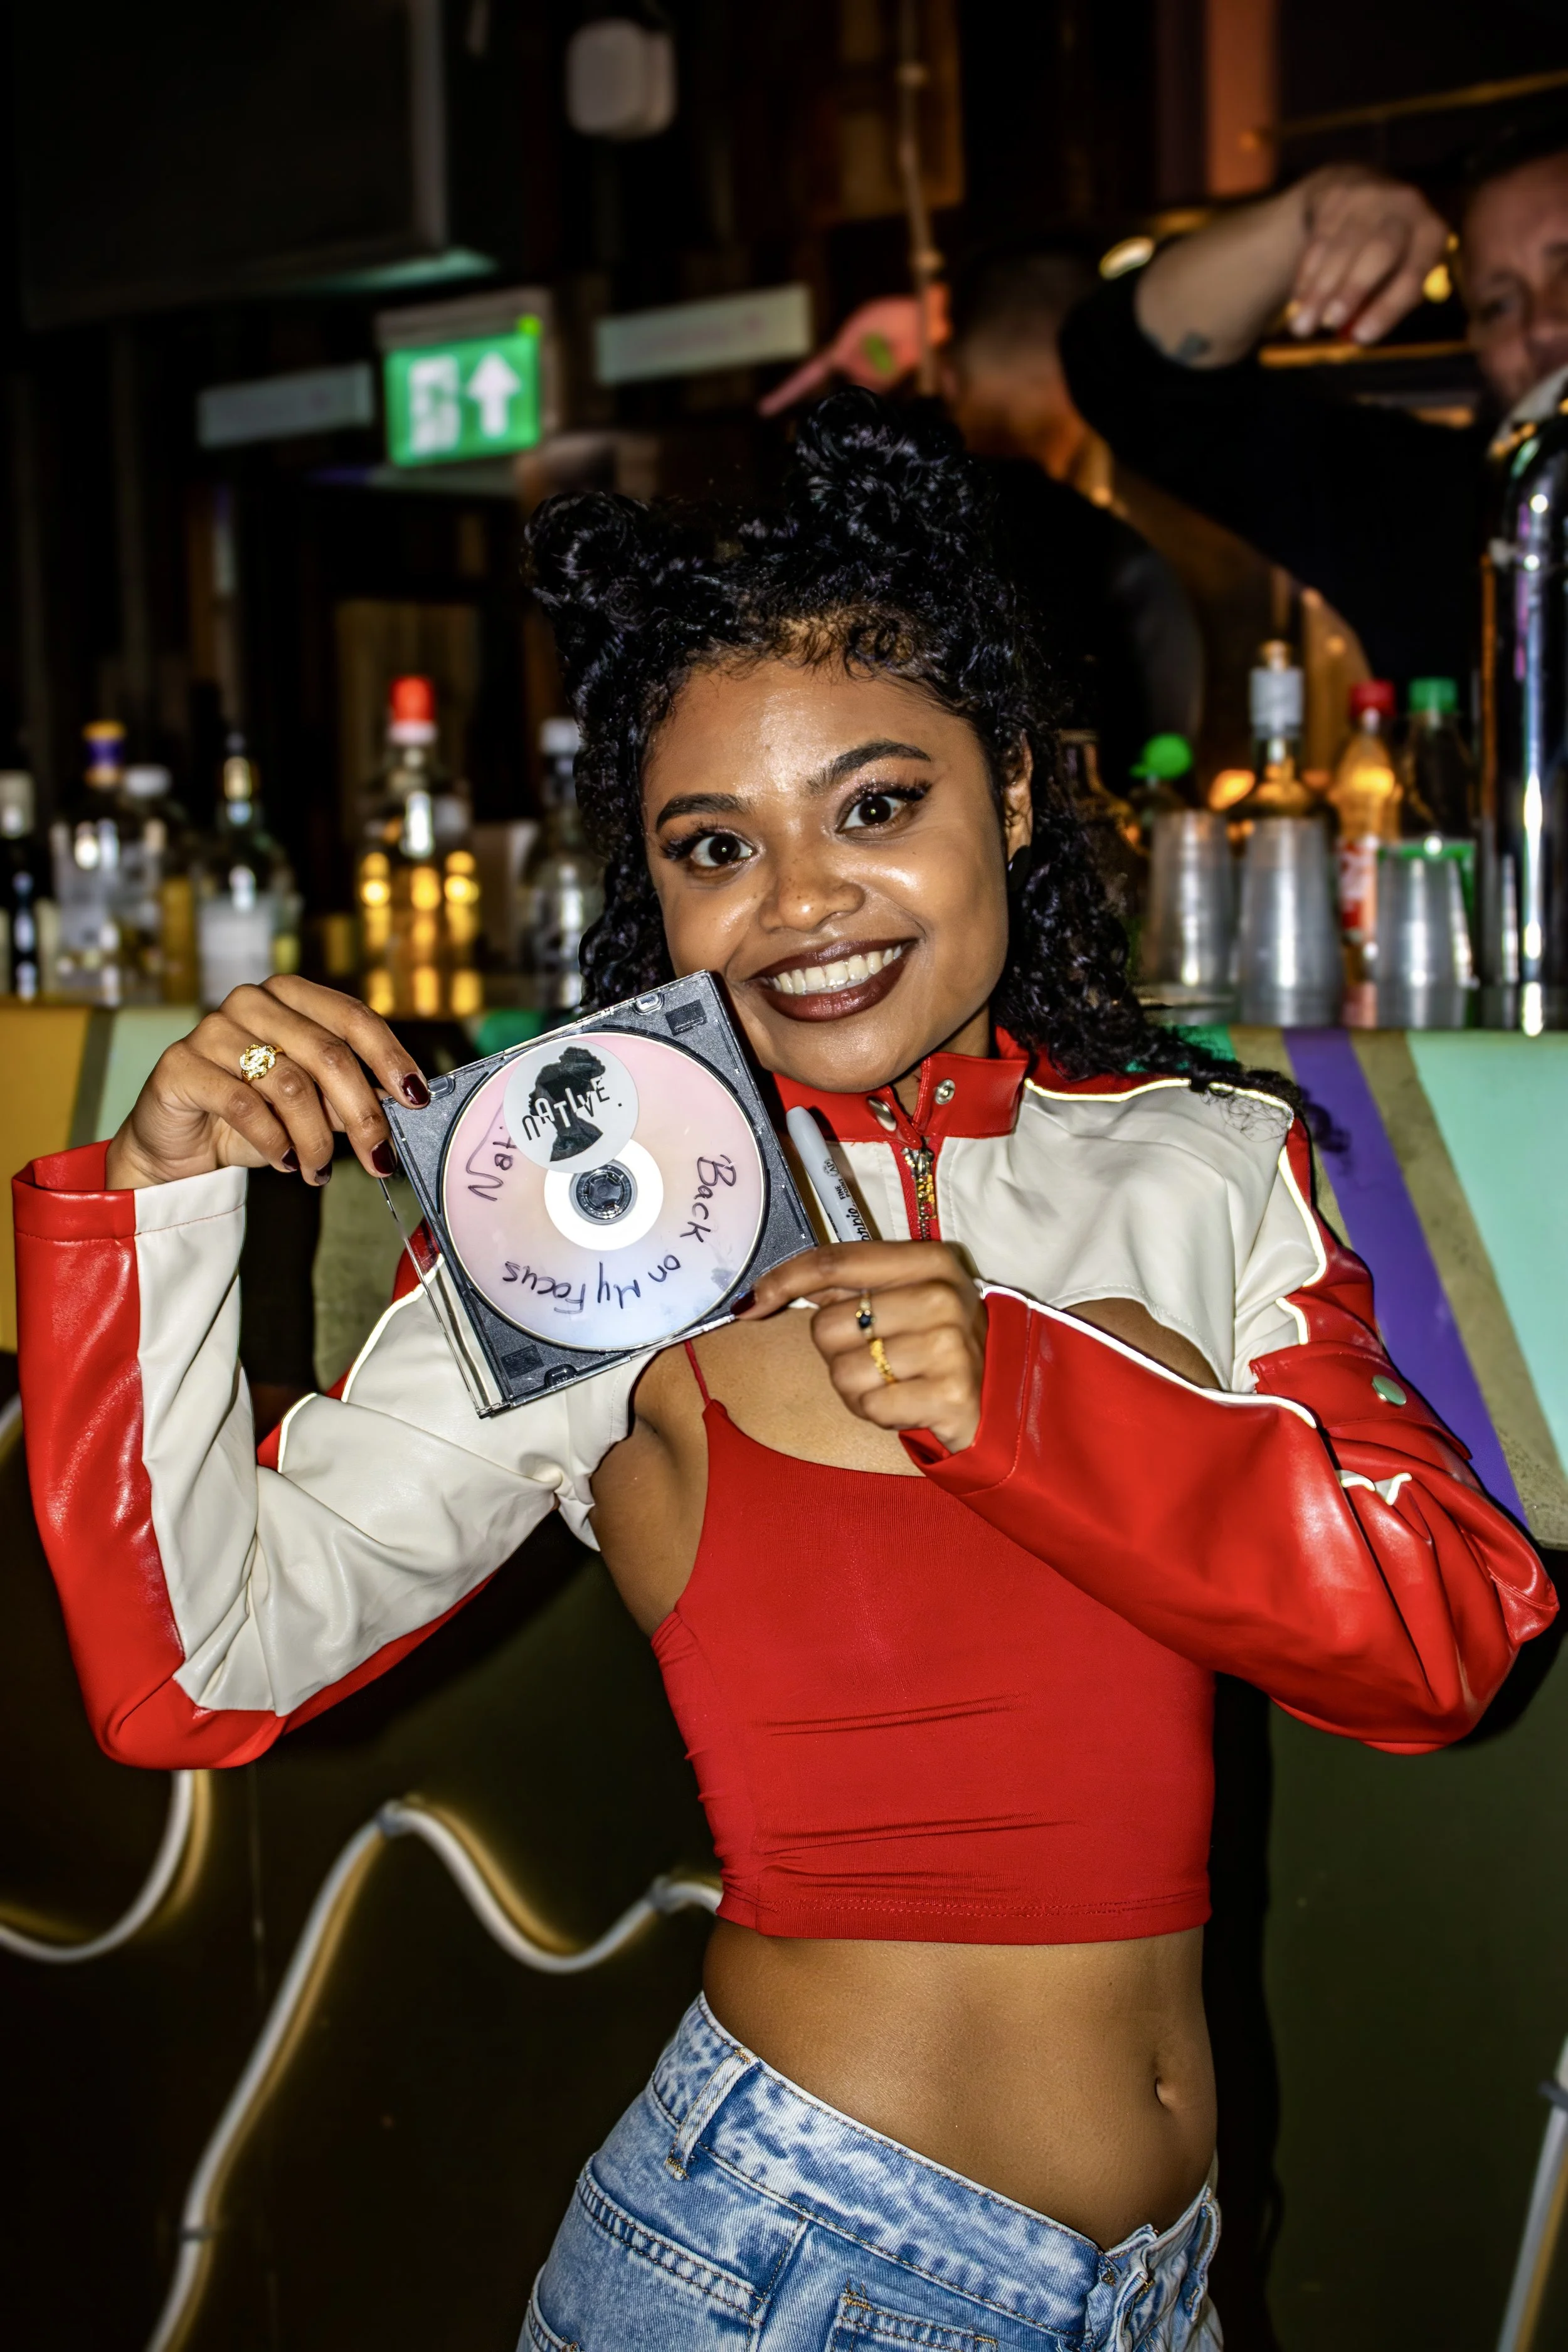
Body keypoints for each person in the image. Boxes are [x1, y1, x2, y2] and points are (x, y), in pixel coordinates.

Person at [13, 393, 1552, 2351]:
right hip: (780, 2263)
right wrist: (149, 1207)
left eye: (876, 803)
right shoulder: (592, 1206)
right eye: (714, 845)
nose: (801, 900)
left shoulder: (1198, 1159)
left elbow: (1436, 1638)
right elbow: (195, 1668)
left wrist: (1021, 1389)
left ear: (1009, 786)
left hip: (1158, 2284)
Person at [1060, 117, 1568, 685]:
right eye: (1499, 303)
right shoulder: (1433, 507)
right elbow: (1124, 373)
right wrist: (1310, 215)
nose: (1543, 326)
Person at [764, 250, 1204, 792]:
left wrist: (839, 388)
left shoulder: (848, 531)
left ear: (947, 372)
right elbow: (1165, 791)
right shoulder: (1121, 567)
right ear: (1097, 383)